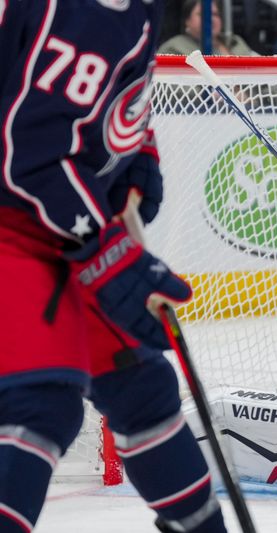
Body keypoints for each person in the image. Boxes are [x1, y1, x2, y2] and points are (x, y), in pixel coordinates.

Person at [0, 3, 227, 532]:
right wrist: (106, 250)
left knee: (140, 388)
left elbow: (114, 101)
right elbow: (28, 157)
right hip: (16, 224)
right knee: (41, 400)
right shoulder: (72, 10)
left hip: (57, 222)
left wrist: (138, 161)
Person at [158, 0, 255, 56]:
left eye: (215, 14)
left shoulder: (236, 42)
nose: (211, 19)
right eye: (202, 14)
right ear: (187, 20)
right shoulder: (173, 48)